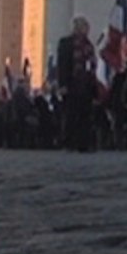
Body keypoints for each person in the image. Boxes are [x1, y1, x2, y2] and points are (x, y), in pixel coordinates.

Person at [56, 15, 99, 152]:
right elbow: (62, 66)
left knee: (85, 116)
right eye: (84, 27)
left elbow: (92, 68)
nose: (87, 30)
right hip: (71, 84)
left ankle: (83, 143)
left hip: (85, 87)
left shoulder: (89, 46)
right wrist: (62, 85)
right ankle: (68, 143)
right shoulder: (65, 43)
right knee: (70, 116)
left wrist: (95, 90)